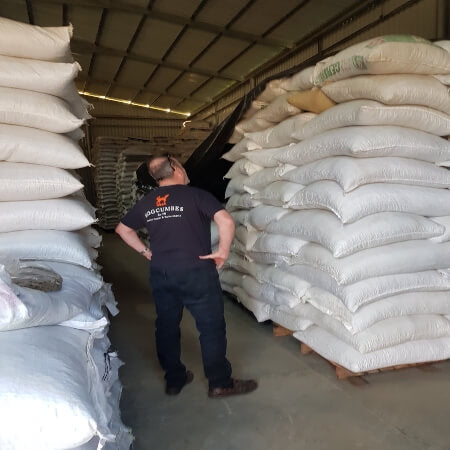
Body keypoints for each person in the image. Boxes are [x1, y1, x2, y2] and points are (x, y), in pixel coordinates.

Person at [115, 155, 257, 398]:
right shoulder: (196, 195)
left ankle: (174, 380)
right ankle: (219, 383)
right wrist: (222, 252)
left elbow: (122, 229)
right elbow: (225, 220)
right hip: (196, 271)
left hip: (162, 272)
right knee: (210, 327)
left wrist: (146, 252)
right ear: (177, 169)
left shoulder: (148, 202)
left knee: (167, 326)